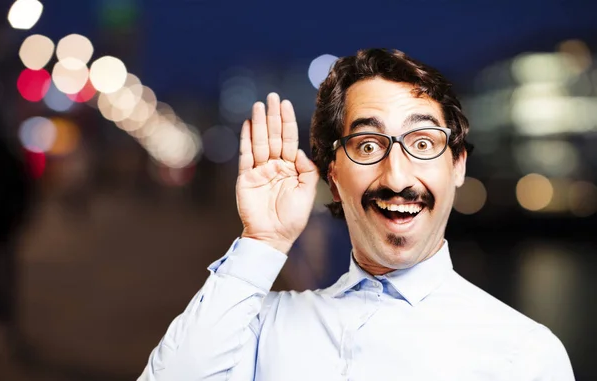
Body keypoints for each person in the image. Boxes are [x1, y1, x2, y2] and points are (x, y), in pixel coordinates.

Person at [138, 48, 574, 380]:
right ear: (334, 173)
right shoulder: (261, 326)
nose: (397, 175)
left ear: (457, 165)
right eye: (368, 146)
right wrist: (262, 242)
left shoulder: (526, 354)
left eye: (423, 144)